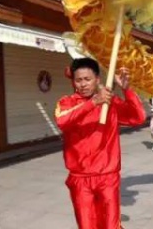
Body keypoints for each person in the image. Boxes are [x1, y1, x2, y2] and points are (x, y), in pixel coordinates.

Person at [55, 58, 146, 229]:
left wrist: (127, 90)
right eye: (78, 80)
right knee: (87, 225)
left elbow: (138, 117)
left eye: (87, 79)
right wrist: (93, 102)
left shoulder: (110, 103)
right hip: (80, 178)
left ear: (97, 79)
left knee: (110, 226)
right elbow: (62, 121)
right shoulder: (67, 102)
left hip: (108, 177)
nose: (83, 84)